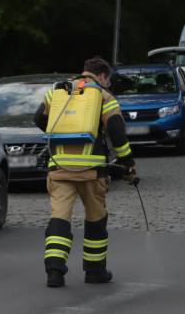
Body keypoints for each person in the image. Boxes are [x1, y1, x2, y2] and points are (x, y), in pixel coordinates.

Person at [33, 56, 135, 287]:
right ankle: (95, 271)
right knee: (96, 219)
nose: (107, 84)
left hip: (59, 168)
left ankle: (54, 271)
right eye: (107, 80)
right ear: (102, 76)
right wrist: (127, 161)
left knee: (59, 218)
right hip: (91, 171)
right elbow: (117, 131)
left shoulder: (57, 92)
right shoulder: (103, 96)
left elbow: (38, 118)